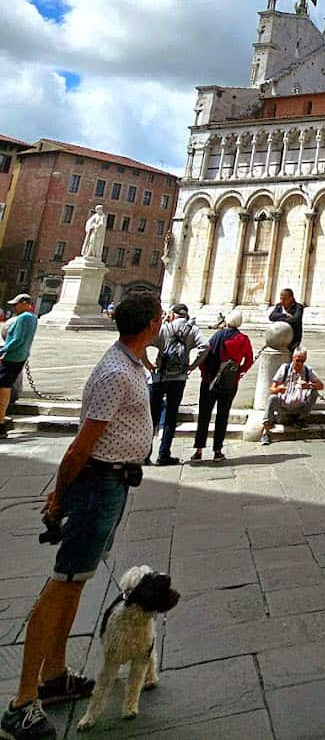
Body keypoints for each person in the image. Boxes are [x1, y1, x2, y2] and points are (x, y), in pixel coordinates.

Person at [1, 290, 162, 740]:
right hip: (96, 485)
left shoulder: (129, 365)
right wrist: (59, 495)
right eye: (159, 317)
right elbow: (79, 446)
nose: (162, 321)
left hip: (110, 484)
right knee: (61, 584)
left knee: (74, 583)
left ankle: (53, 677)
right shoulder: (115, 372)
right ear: (150, 324)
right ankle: (20, 704)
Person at [144, 303, 207, 467]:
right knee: (171, 417)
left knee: (152, 417)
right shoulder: (192, 330)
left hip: (159, 377)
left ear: (172, 314)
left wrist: (148, 365)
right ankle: (164, 455)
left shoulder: (165, 328)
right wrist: (193, 366)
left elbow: (144, 342)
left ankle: (145, 455)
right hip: (178, 379)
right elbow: (205, 346)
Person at [191, 309, 253, 464]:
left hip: (209, 382)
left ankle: (198, 451)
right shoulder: (243, 339)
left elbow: (205, 354)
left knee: (204, 415)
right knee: (222, 416)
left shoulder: (217, 336)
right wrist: (239, 371)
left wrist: (205, 374)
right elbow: (249, 360)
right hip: (229, 383)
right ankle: (217, 451)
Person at [260, 348, 324, 444]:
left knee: (314, 392)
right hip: (284, 405)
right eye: (297, 360)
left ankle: (301, 418)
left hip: (300, 406)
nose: (300, 364)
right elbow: (272, 389)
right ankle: (266, 431)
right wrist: (278, 389)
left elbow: (321, 386)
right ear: (293, 358)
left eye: (302, 361)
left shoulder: (307, 370)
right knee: (272, 398)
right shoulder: (285, 369)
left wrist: (309, 385)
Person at [0, 294, 39, 432]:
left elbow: (17, 340)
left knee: (3, 385)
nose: (14, 307)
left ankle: (1, 420)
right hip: (20, 356)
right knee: (5, 384)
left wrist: (3, 351)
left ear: (24, 304)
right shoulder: (33, 318)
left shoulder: (24, 318)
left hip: (13, 357)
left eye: (16, 304)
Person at [268, 287, 303, 352]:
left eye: (284, 299)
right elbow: (272, 316)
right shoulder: (279, 306)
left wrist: (279, 319)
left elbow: (295, 320)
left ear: (291, 298)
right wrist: (285, 315)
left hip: (293, 340)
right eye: (281, 298)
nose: (282, 301)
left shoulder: (298, 307)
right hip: (278, 338)